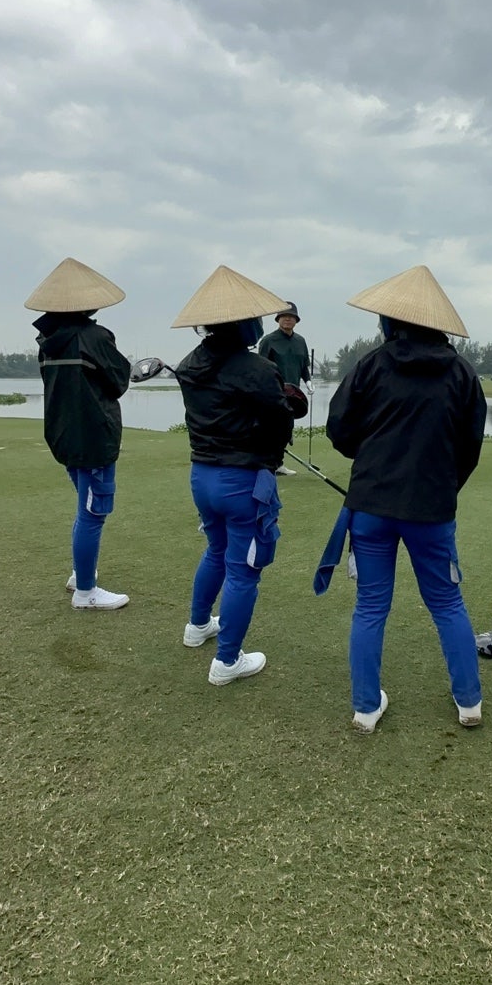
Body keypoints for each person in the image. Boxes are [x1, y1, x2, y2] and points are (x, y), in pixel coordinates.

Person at [319, 265, 488, 733]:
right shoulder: (462, 373)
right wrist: (445, 485)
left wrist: (371, 457)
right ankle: (469, 702)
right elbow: (470, 447)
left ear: (391, 320)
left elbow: (339, 428)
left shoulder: (371, 365)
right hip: (431, 508)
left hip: (371, 505)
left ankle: (365, 707)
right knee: (448, 604)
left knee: (371, 606)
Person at [172, 265, 295, 686]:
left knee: (216, 550)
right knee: (244, 570)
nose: (258, 324)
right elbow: (280, 420)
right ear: (242, 323)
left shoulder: (190, 363)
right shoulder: (255, 368)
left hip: (202, 475)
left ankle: (197, 626)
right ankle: (227, 662)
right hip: (241, 481)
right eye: (254, 319)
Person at [25, 257, 131, 610]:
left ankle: (80, 573)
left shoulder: (47, 339)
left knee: (85, 505)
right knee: (93, 511)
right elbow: (118, 381)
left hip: (62, 433)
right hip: (93, 436)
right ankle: (85, 591)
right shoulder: (95, 336)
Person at [258, 302, 312, 475]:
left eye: (291, 317)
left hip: (293, 394)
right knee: (272, 428)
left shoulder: (300, 341)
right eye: (284, 316)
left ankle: (278, 463)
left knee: (286, 428)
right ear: (278, 319)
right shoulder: (268, 341)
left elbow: (304, 366)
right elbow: (260, 367)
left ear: (296, 320)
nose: (287, 319)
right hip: (273, 391)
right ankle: (269, 463)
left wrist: (308, 382)